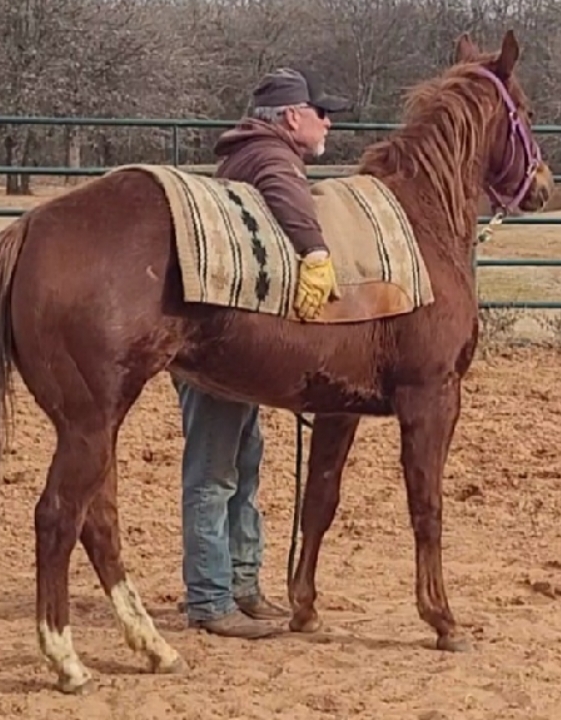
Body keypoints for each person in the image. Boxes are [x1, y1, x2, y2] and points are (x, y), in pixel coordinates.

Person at [173, 68, 353, 639]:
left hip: (236, 339)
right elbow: (289, 199)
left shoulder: (252, 152)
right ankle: (210, 599)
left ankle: (243, 585)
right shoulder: (271, 159)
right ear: (291, 116)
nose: (327, 121)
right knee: (215, 471)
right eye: (320, 111)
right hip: (221, 342)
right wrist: (317, 252)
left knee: (241, 465)